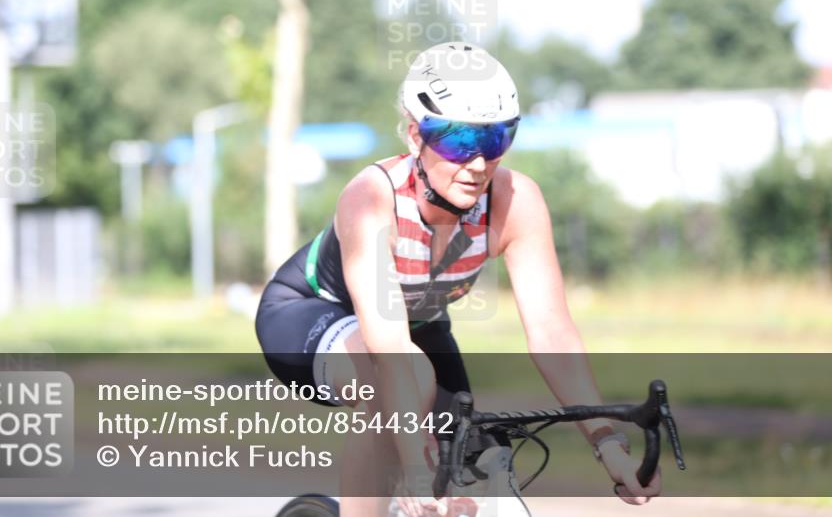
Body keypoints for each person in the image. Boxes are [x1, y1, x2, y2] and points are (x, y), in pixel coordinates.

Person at [256, 42, 660, 516]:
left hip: (419, 328)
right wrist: (414, 463)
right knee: (400, 404)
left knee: (481, 458)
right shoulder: (371, 197)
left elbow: (552, 333)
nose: (476, 164)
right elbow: (387, 345)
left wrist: (607, 442)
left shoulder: (516, 202)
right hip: (314, 314)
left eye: (493, 141)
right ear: (415, 136)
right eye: (456, 140)